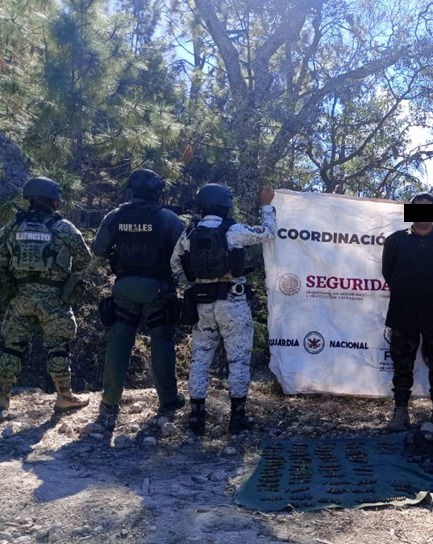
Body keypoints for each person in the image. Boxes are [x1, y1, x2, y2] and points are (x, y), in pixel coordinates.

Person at [171, 184, 277, 435]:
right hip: (233, 303)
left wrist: (196, 280)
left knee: (199, 360)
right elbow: (270, 232)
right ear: (225, 204)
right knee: (238, 360)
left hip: (202, 305)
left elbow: (175, 264)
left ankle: (197, 419)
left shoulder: (189, 233)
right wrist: (267, 206)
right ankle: (237, 420)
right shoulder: (235, 230)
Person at [92, 169, 186, 424]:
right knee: (162, 340)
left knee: (119, 342)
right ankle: (168, 400)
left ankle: (109, 402)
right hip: (157, 287)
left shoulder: (116, 215)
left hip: (123, 286)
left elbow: (98, 249)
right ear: (157, 191)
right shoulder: (168, 217)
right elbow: (186, 251)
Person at [0, 176, 92, 415]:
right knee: (57, 347)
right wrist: (66, 276)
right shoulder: (62, 227)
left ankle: (2, 400)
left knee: (11, 347)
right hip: (53, 299)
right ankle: (64, 397)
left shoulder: (12, 226)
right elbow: (85, 259)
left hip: (19, 298)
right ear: (53, 202)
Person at [382, 193, 433, 432]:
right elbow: (388, 273)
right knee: (401, 365)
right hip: (403, 311)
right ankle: (400, 411)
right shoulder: (395, 240)